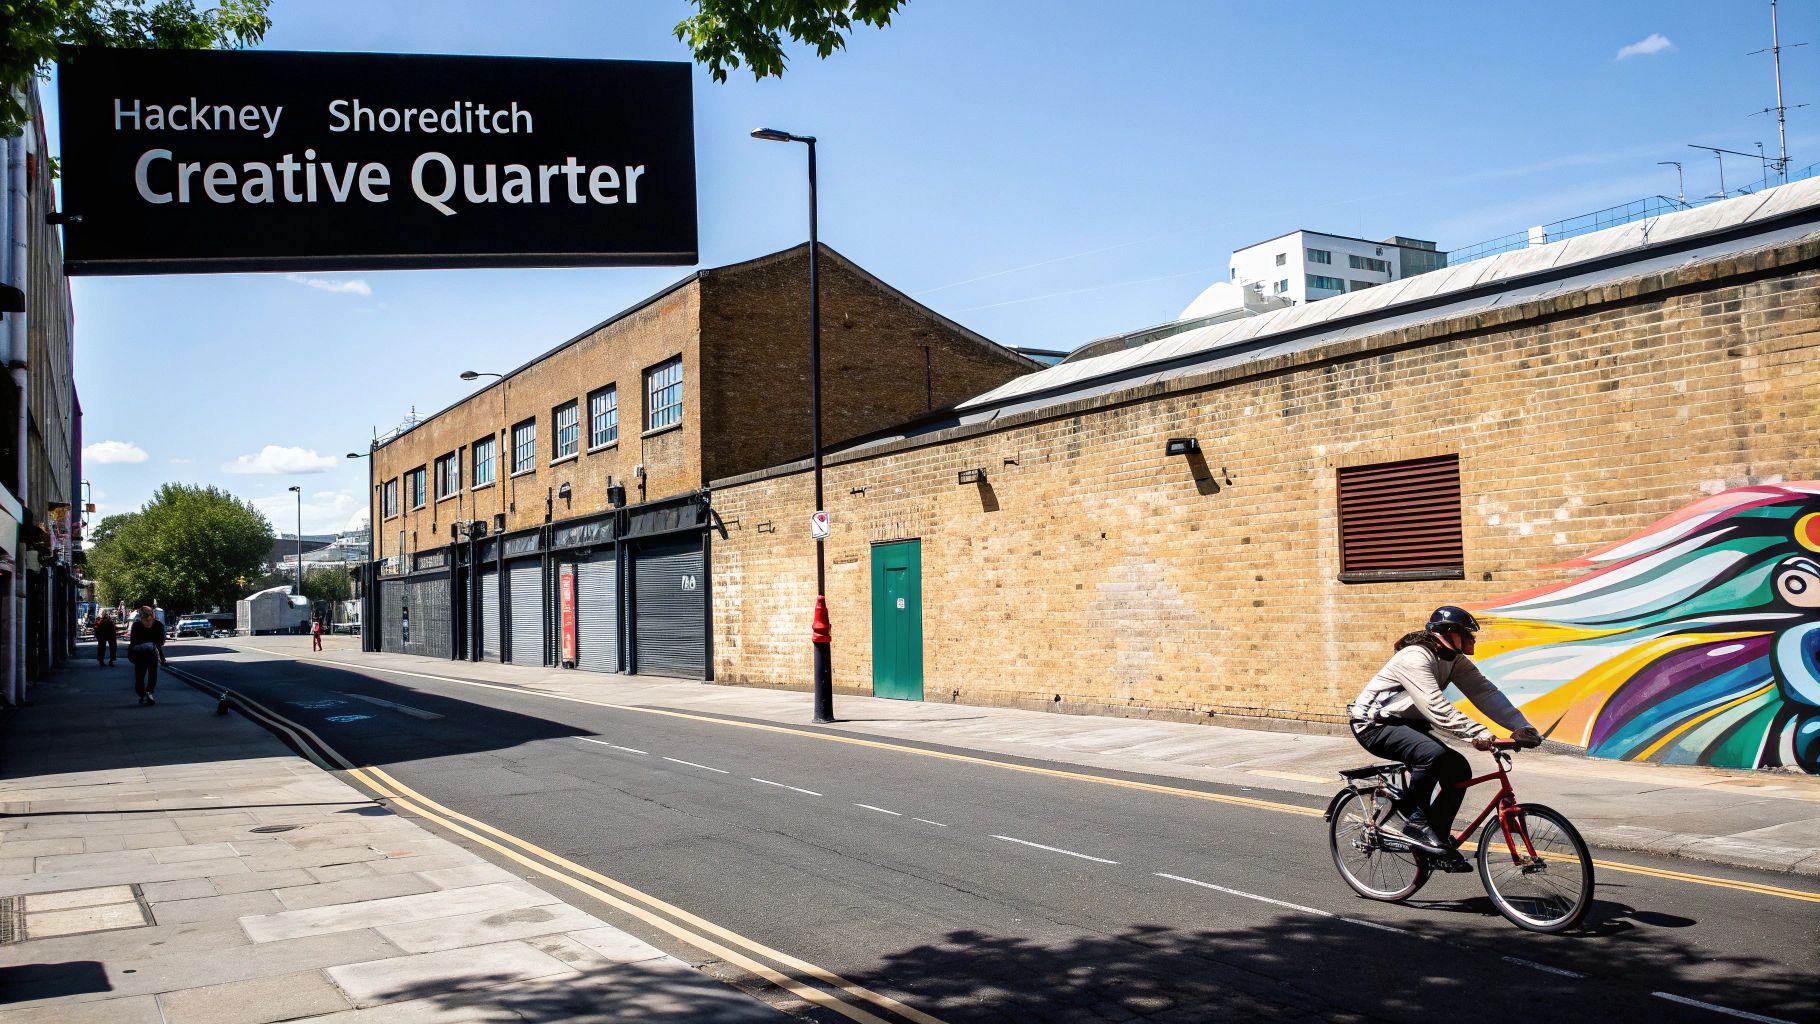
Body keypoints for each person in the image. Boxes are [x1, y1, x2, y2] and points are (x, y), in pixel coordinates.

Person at [1348, 606, 1542, 858]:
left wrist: (1521, 726)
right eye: (1468, 634)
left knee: (1459, 769)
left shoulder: (1454, 661)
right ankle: (1417, 823)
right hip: (1372, 723)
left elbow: (1485, 693)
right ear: (1448, 634)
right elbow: (1434, 706)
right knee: (1432, 754)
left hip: (1406, 722)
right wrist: (1478, 733)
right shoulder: (1415, 657)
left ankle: (1436, 837)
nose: (1473, 640)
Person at [126, 605, 169, 706]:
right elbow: (161, 642)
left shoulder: (136, 625)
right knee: (152, 674)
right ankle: (149, 692)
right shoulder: (159, 625)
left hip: (139, 653)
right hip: (152, 652)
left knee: (139, 676)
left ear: (140, 615)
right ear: (153, 614)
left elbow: (133, 641)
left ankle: (142, 694)